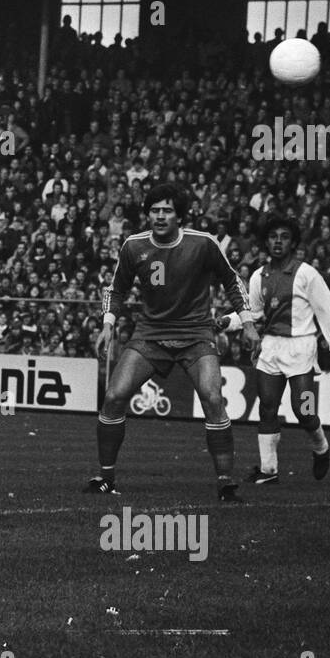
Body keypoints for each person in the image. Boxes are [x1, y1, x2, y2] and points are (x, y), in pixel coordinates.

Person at [89, 182, 259, 502]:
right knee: (113, 396)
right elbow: (117, 288)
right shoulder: (132, 245)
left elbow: (232, 281)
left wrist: (248, 323)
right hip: (150, 333)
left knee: (212, 398)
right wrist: (108, 325)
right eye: (154, 210)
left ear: (179, 215)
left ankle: (225, 483)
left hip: (195, 334)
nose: (160, 215)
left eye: (167, 210)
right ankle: (105, 478)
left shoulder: (203, 243)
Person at [218, 215, 330, 485]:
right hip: (272, 348)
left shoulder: (307, 274)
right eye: (273, 236)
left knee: (305, 409)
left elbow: (328, 311)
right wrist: (226, 322)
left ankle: (321, 448)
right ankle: (268, 470)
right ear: (266, 241)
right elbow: (253, 313)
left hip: (302, 349)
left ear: (294, 242)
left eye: (284, 236)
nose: (278, 241)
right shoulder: (258, 276)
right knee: (267, 408)